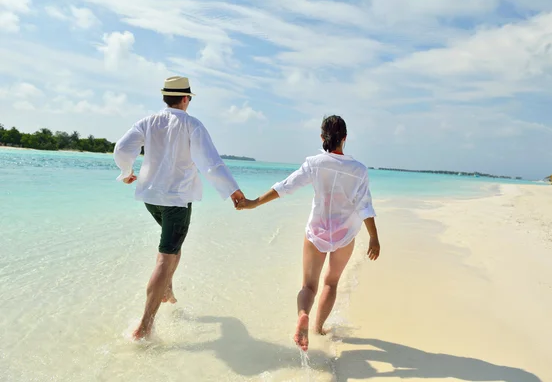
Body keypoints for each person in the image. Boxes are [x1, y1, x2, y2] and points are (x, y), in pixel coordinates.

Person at [113, 76, 245, 340]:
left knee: (173, 244)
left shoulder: (147, 122)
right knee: (165, 256)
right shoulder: (191, 124)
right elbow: (211, 162)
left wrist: (127, 172)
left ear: (166, 97)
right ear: (186, 98)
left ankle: (167, 289)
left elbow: (121, 148)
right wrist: (234, 191)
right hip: (176, 201)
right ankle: (145, 326)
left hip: (152, 199)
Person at [236, 115, 381, 351]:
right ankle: (319, 328)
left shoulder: (314, 163)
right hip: (345, 235)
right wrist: (374, 237)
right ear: (345, 138)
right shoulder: (359, 170)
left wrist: (253, 203)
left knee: (308, 287)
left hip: (317, 231)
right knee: (331, 284)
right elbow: (365, 205)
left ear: (322, 137)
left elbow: (286, 186)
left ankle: (303, 314)